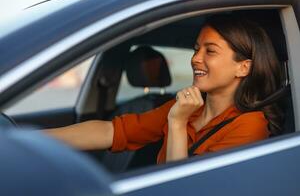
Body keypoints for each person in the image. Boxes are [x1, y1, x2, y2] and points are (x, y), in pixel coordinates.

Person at [44, 14, 283, 164]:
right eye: (196, 49)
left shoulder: (251, 125)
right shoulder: (186, 108)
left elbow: (183, 188)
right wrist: (29, 140)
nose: (195, 59)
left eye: (210, 51)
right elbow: (113, 132)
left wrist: (177, 124)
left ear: (243, 68)